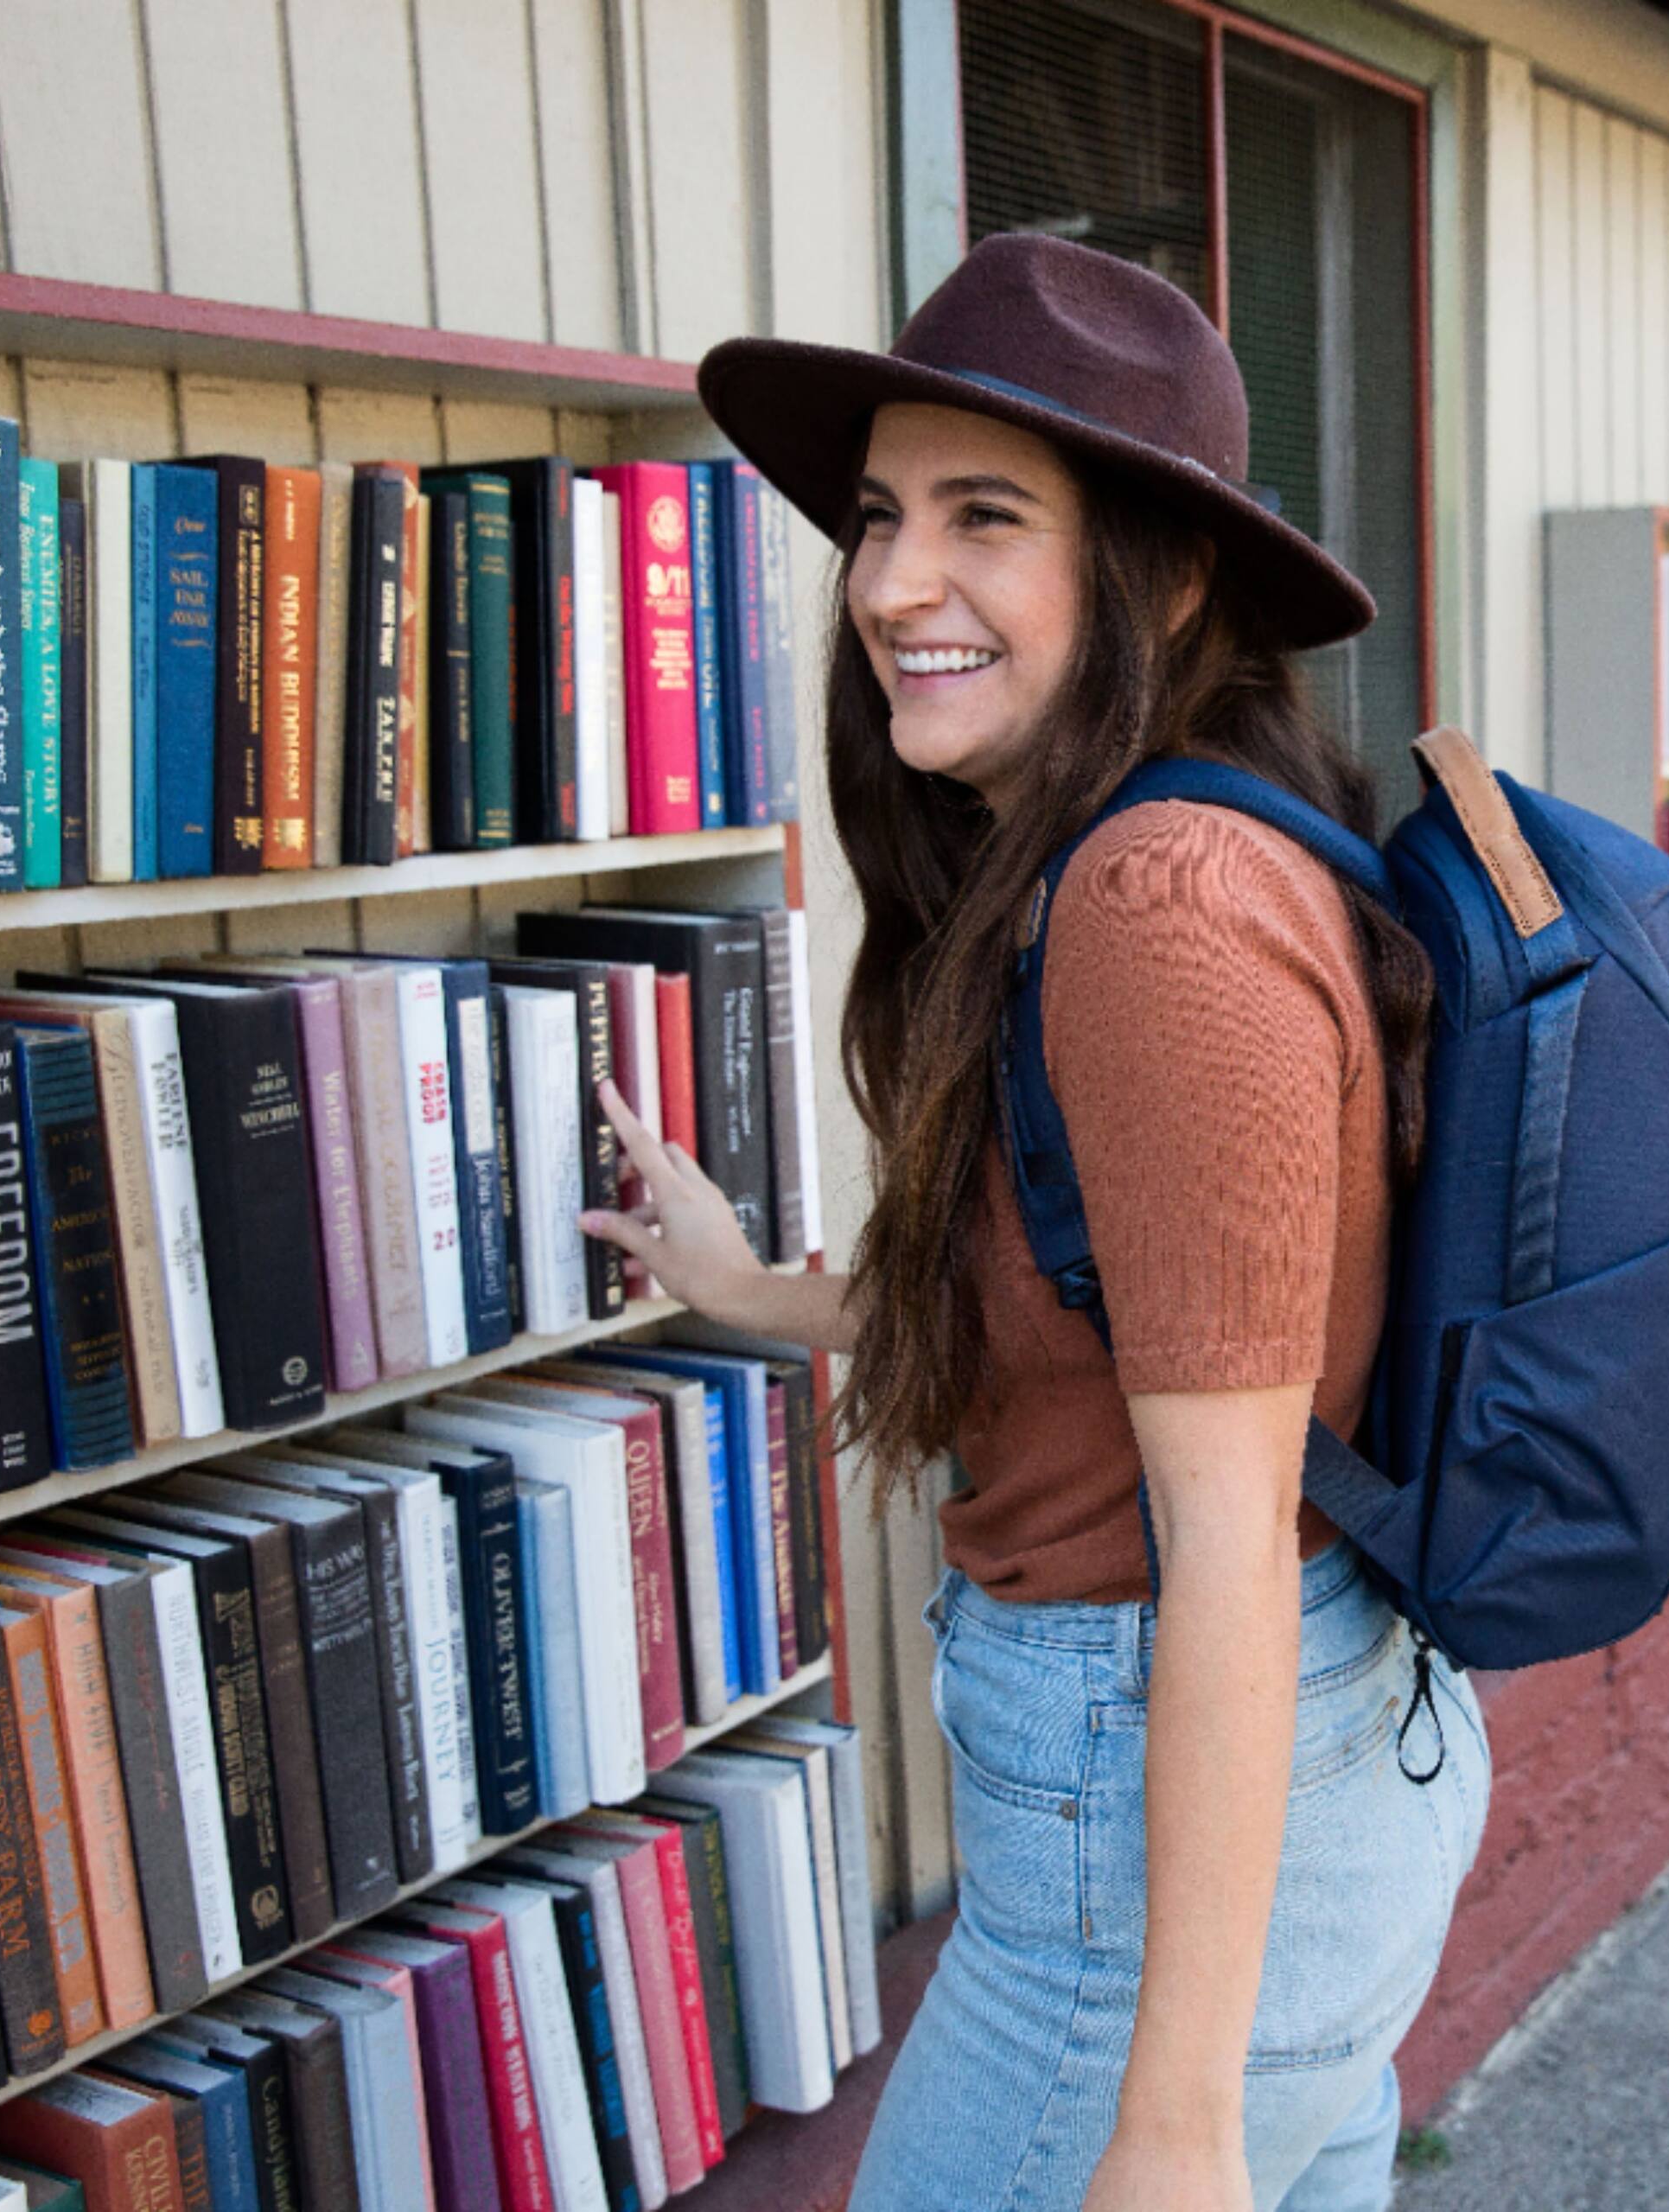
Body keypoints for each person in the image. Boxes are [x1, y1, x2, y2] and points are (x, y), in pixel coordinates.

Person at [578, 233, 1493, 2212]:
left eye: (985, 518)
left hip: (1153, 1837)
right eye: (885, 516)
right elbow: (1099, 1319)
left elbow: (1227, 1540)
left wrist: (1168, 2120)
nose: (895, 583)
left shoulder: (1161, 906)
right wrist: (751, 1286)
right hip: (1311, 1781)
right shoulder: (1170, 852)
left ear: (1161, 575)